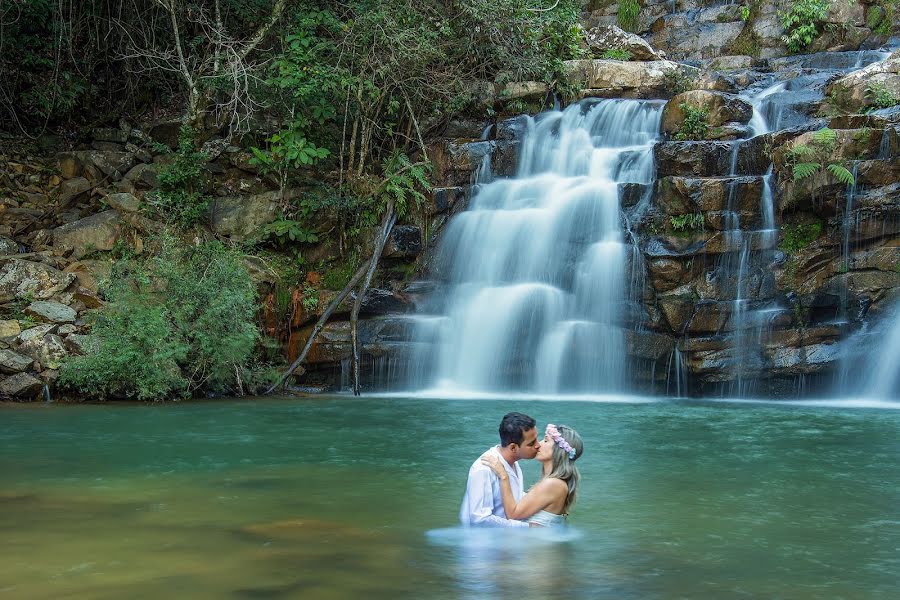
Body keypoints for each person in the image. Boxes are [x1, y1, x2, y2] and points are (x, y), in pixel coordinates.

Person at [481, 423, 583, 527]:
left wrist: (503, 476)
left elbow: (512, 514)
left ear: (559, 450)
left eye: (546, 440)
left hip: (540, 543)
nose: (538, 444)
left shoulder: (553, 483)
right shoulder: (556, 482)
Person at [459, 412, 540, 528]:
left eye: (536, 439)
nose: (538, 445)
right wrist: (527, 527)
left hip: (504, 540)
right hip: (481, 542)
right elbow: (479, 519)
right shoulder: (483, 469)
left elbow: (515, 497)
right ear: (513, 447)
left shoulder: (513, 462)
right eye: (531, 443)